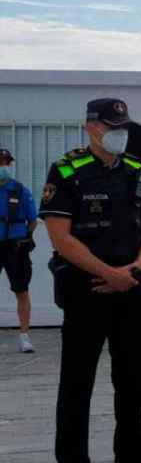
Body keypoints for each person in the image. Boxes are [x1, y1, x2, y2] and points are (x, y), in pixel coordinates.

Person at [40, 98, 141, 463]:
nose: (121, 133)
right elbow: (61, 237)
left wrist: (132, 271)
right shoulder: (67, 170)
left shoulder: (135, 171)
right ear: (91, 127)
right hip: (84, 293)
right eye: (113, 126)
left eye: (124, 126)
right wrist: (106, 272)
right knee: (77, 388)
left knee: (133, 388)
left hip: (128, 292)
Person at [0, 148, 37, 352]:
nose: (3, 167)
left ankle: (24, 336)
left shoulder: (21, 191)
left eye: (6, 162)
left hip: (15, 247)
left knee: (21, 290)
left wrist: (24, 238)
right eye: (0, 162)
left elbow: (32, 221)